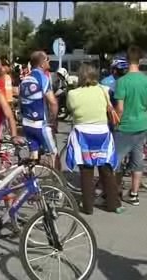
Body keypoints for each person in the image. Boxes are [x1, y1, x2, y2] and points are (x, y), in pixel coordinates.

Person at [66, 63, 124, 215]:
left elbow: (70, 109)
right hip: (102, 134)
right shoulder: (104, 90)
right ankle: (114, 203)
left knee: (86, 171)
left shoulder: (73, 94)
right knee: (106, 169)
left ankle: (88, 206)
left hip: (82, 134)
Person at [114, 45, 147, 206]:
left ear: (127, 61)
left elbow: (119, 108)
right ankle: (133, 194)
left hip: (125, 126)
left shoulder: (122, 82)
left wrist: (116, 123)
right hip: (142, 125)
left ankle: (114, 192)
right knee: (137, 160)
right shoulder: (145, 80)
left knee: (115, 160)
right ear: (140, 60)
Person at [19, 51, 59, 166]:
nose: (49, 61)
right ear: (42, 64)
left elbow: (20, 102)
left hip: (27, 124)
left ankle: (32, 181)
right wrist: (53, 120)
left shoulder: (25, 79)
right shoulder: (43, 78)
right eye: (47, 59)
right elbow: (53, 103)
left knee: (33, 156)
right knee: (53, 154)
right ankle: (56, 182)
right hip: (41, 124)